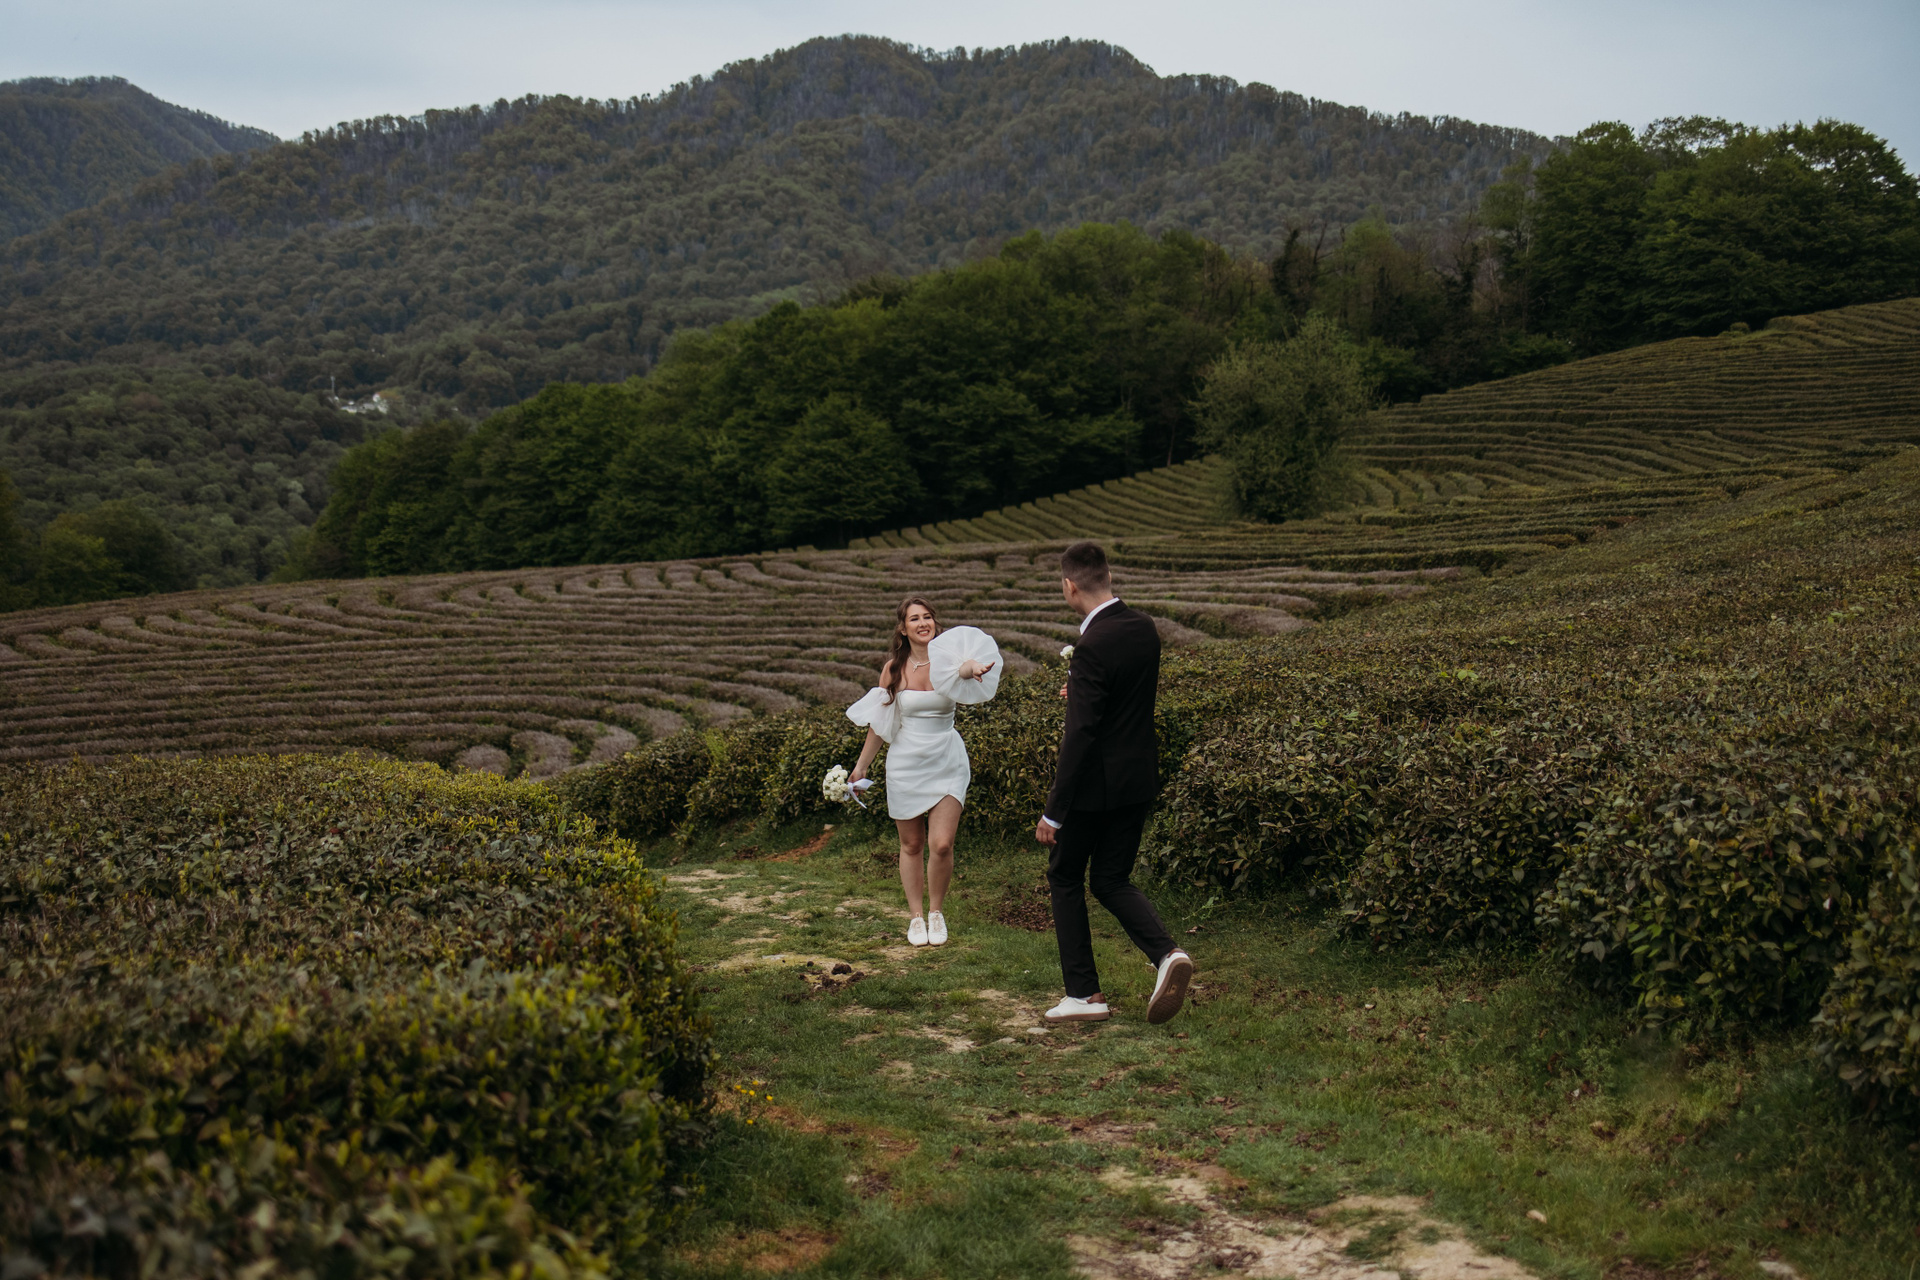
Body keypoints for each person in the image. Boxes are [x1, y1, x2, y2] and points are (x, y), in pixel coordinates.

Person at [1034, 541, 1193, 1025]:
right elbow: (1125, 695)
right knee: (1110, 878)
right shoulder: (1143, 628)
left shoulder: (1091, 646)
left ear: (1070, 586)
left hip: (1092, 788)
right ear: (1108, 576)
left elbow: (1080, 734)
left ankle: (1085, 995)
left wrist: (1054, 810)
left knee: (1065, 876)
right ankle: (1167, 954)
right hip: (1136, 779)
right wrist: (1083, 690)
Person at [848, 596, 1000, 946]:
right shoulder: (893, 669)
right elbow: (880, 724)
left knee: (942, 844)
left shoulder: (950, 661)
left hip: (946, 758)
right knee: (912, 843)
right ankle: (916, 917)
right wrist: (861, 766)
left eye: (928, 616)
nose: (923, 623)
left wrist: (973, 668)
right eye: (914, 618)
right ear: (903, 629)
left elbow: (963, 670)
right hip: (905, 763)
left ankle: (936, 912)